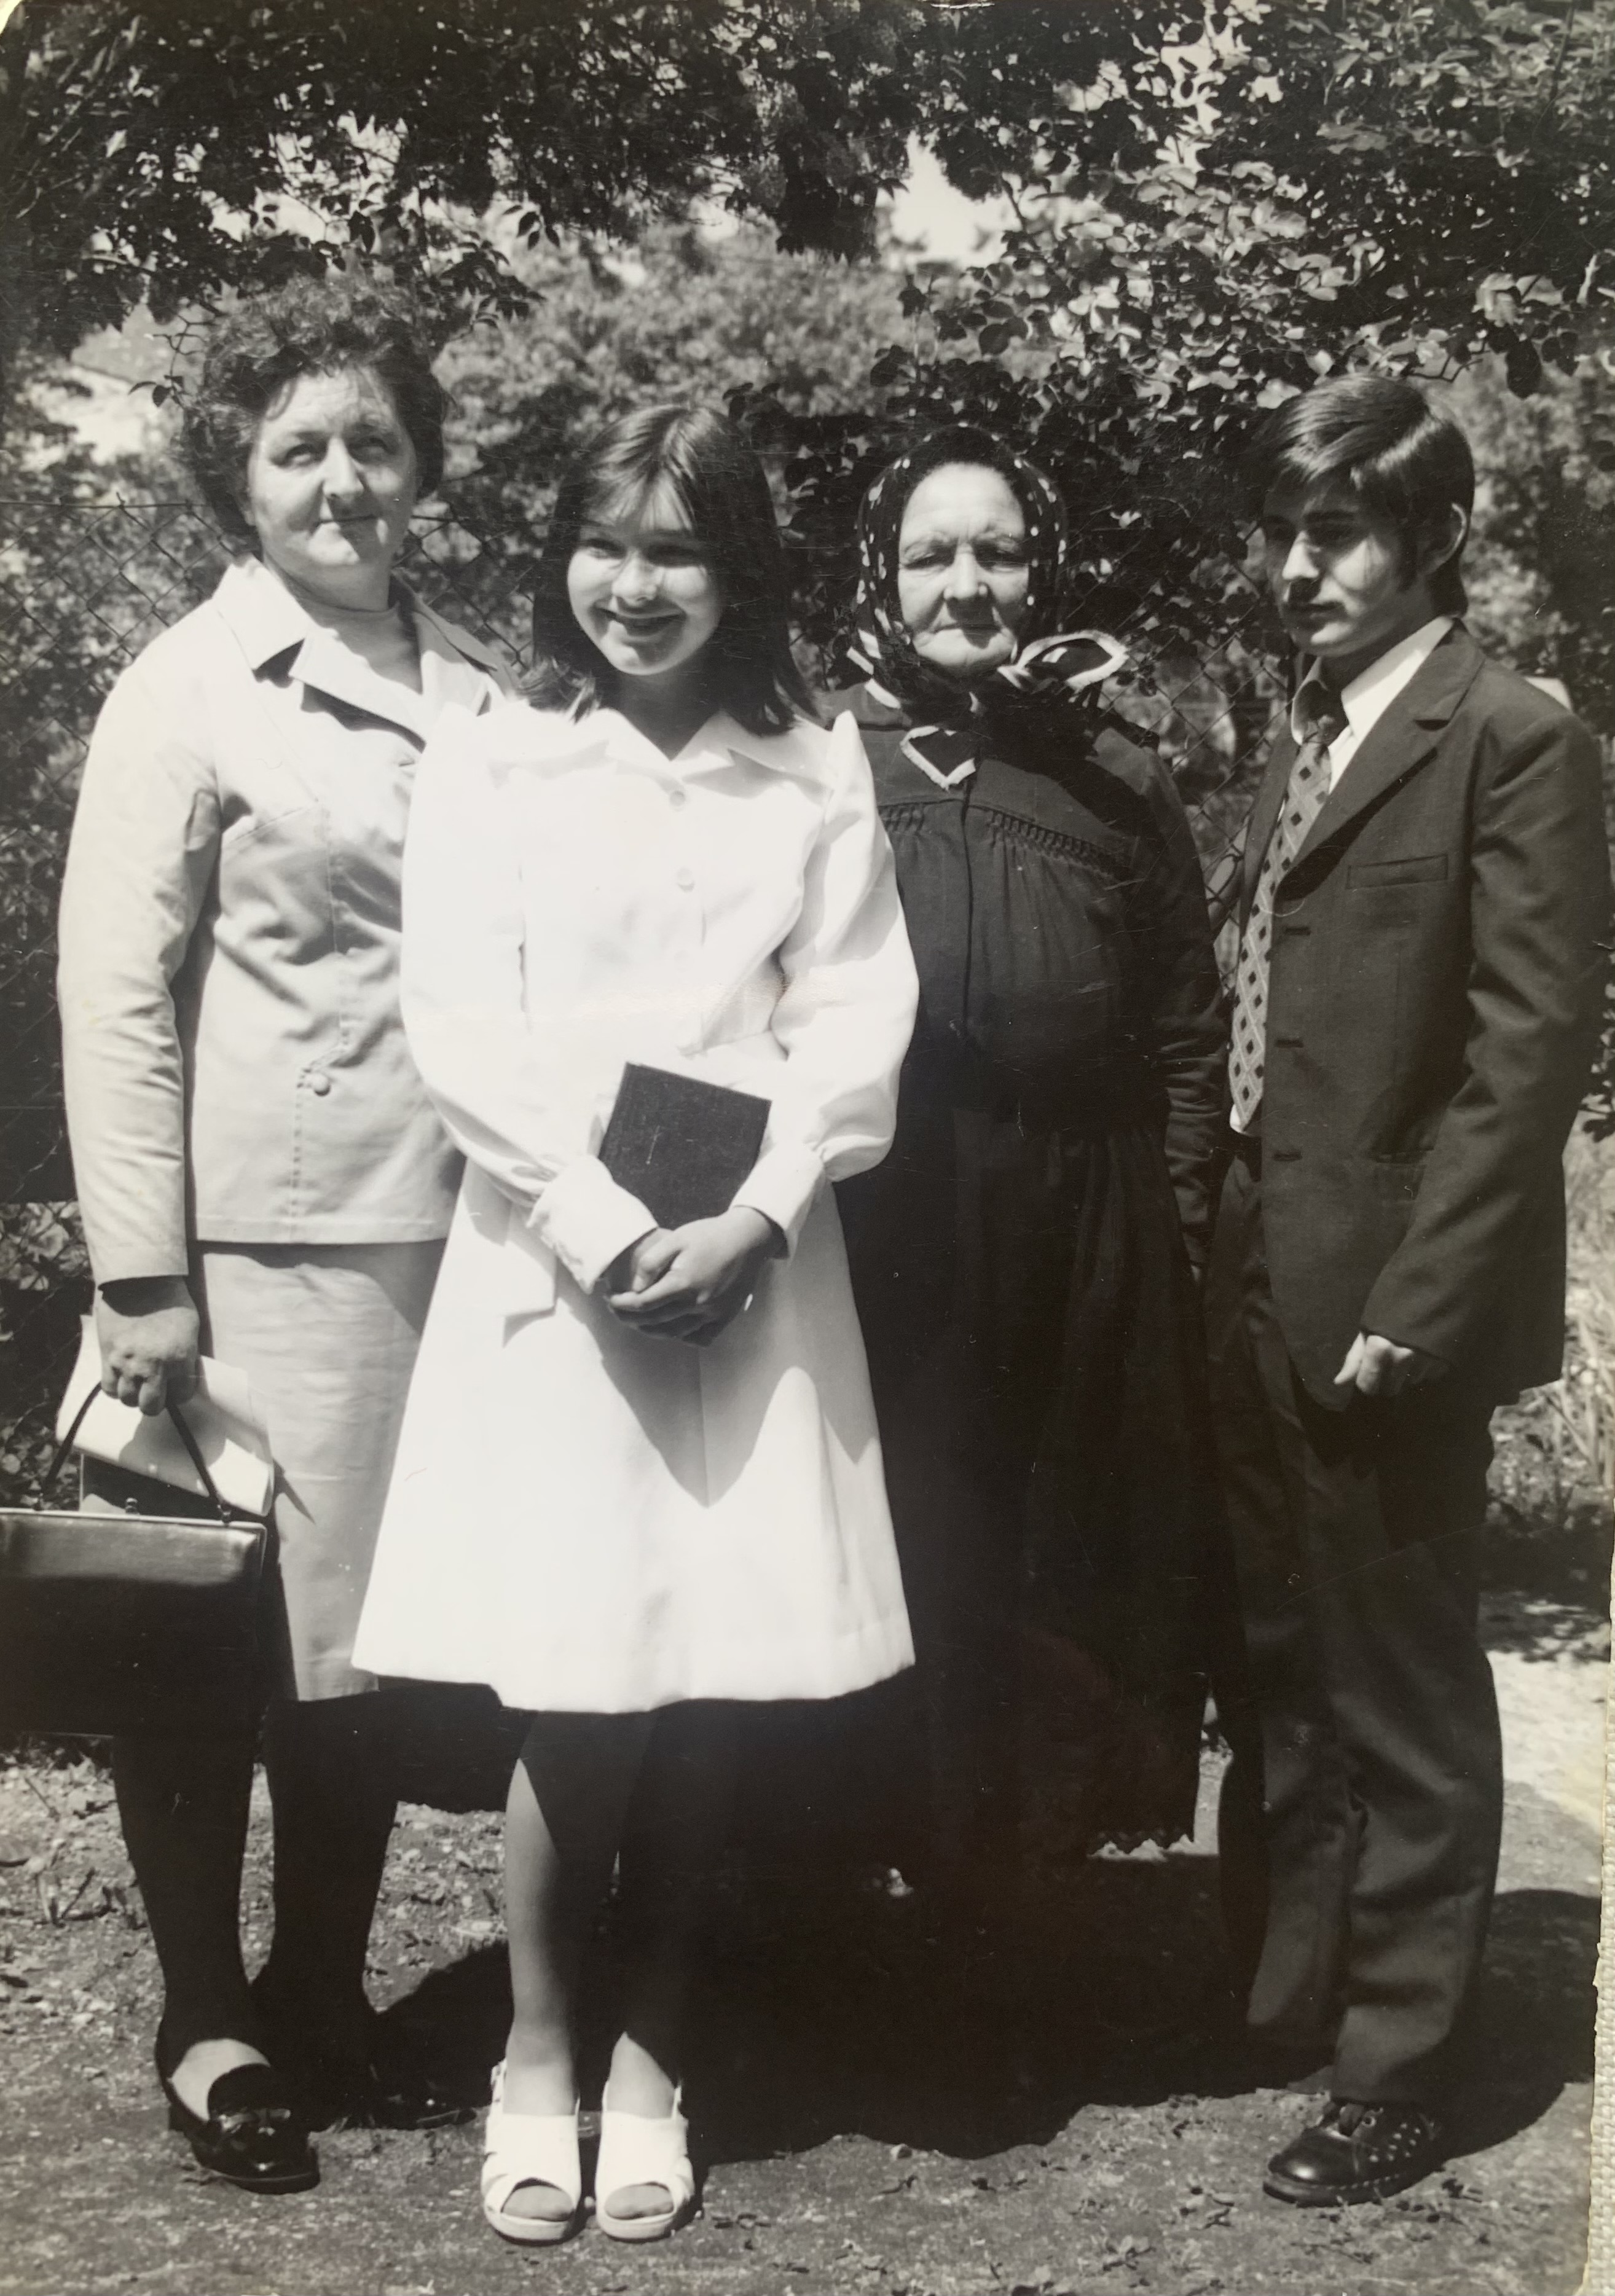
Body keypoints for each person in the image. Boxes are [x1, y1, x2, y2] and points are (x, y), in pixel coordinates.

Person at [352, 404, 918, 2246]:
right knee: (578, 1685)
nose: (636, 584)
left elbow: (854, 1012)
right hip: (559, 1269)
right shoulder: (497, 756)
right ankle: (536, 2055)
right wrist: (601, 1225)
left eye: (677, 549)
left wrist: (761, 1211)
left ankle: (652, 2060)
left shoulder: (811, 760)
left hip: (753, 1267)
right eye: (606, 543)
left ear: (739, 570)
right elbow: (464, 1028)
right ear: (560, 560)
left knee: (709, 1682)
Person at [56, 273, 513, 2192]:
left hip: (452, 1244)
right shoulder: (185, 689)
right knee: (204, 1643)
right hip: (244, 1257)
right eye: (298, 446)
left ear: (423, 470)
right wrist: (142, 1275)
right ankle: (206, 2017)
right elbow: (115, 993)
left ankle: (322, 1985)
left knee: (366, 1654)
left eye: (374, 444)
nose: (342, 479)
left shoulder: (485, 688)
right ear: (235, 478)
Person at [1206, 375, 1609, 2205]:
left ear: (1434, 538)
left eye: (1337, 534)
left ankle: (1402, 2068)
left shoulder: (1508, 733)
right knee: (1283, 1662)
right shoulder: (1308, 723)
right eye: (1281, 536)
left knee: (1401, 1684)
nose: (1296, 570)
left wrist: (1422, 1296)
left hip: (1386, 1297)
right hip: (1256, 1264)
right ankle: (1294, 1993)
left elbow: (1527, 1054)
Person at [830, 427, 1230, 1957]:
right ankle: (840, 1900)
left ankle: (1011, 1919)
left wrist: (1167, 1229)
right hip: (878, 1228)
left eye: (997, 552)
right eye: (930, 554)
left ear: (1043, 569)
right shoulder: (822, 755)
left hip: (1079, 1232)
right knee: (890, 1545)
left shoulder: (1113, 773)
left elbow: (1187, 1033)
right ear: (882, 575)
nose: (966, 585)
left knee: (1050, 1558)